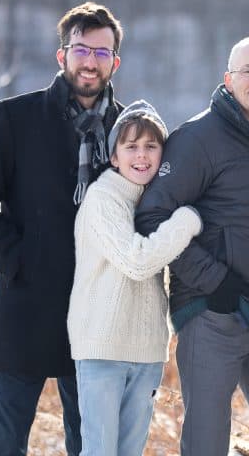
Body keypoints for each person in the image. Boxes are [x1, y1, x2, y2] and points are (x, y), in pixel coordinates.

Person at [0, 2, 125, 455]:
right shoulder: (15, 117)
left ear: (114, 62)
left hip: (94, 312)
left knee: (89, 444)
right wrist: (18, 260)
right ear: (62, 55)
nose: (90, 62)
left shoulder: (127, 129)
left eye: (102, 53)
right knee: (6, 443)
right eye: (81, 49)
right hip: (26, 305)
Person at [134, 36, 249, 456]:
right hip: (212, 315)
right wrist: (214, 280)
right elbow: (152, 215)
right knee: (206, 444)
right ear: (228, 79)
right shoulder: (198, 138)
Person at [68, 100, 203, 456]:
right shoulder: (103, 198)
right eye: (131, 146)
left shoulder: (156, 201)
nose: (141, 155)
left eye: (151, 146)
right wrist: (187, 221)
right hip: (103, 348)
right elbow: (138, 261)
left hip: (146, 351)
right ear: (114, 156)